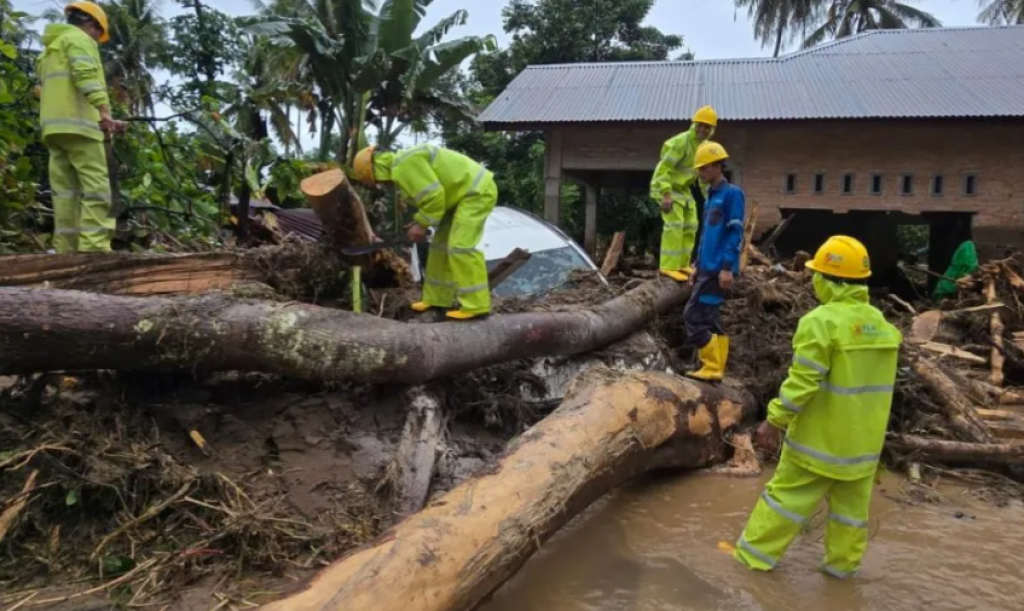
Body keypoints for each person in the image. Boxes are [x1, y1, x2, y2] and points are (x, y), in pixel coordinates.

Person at [732, 235, 903, 579]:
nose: (812, 280)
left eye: (816, 274)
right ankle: (840, 578)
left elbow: (803, 383)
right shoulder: (883, 327)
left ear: (829, 279)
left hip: (817, 445)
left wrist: (774, 421)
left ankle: (749, 565)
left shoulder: (821, 322)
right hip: (863, 450)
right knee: (850, 518)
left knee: (782, 504)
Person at [353, 143, 498, 320]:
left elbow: (433, 196)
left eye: (377, 180)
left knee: (460, 247)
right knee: (439, 249)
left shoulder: (404, 165)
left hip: (475, 194)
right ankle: (437, 299)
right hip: (457, 199)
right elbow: (433, 196)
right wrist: (419, 220)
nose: (381, 184)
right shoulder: (402, 165)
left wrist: (421, 225)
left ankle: (477, 306)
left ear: (376, 170)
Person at [37, 1, 125, 254]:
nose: (98, 39)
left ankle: (66, 250)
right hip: (81, 127)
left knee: (65, 194)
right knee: (96, 189)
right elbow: (84, 74)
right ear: (90, 25)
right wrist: (105, 112)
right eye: (99, 33)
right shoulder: (79, 40)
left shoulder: (50, 50)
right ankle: (94, 249)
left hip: (54, 130)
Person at [684, 141, 744, 382]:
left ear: (718, 165)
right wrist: (696, 266)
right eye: (699, 169)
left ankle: (711, 367)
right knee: (711, 318)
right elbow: (706, 237)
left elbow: (735, 233)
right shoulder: (711, 197)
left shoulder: (732, 194)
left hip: (718, 269)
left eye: (704, 168)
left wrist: (727, 267)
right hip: (706, 268)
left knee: (693, 317)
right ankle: (717, 368)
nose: (701, 173)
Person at [650, 105, 718, 282]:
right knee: (675, 224)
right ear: (694, 124)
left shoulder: (704, 147)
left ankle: (682, 264)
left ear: (712, 130)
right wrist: (665, 195)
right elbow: (663, 169)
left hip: (682, 189)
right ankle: (667, 266)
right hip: (665, 186)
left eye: (707, 126)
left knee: (691, 224)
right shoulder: (681, 142)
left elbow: (702, 178)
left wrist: (710, 198)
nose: (703, 129)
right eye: (700, 125)